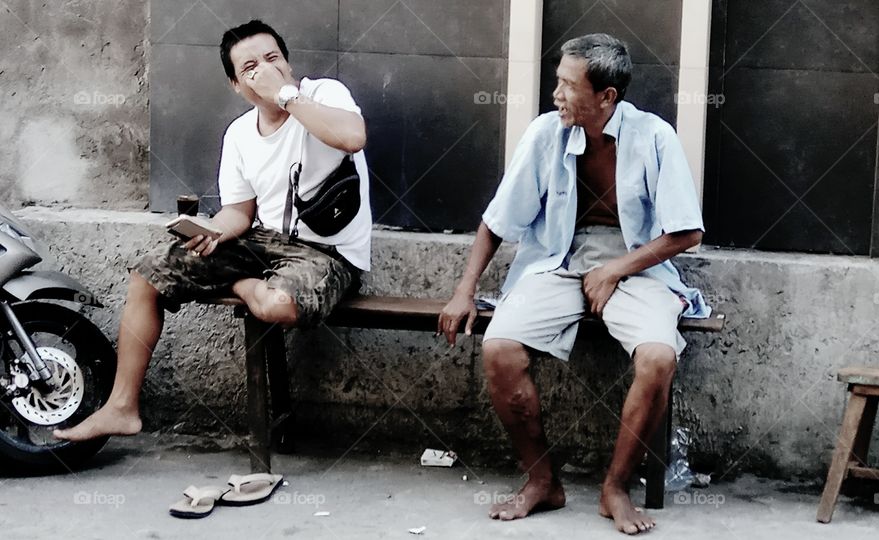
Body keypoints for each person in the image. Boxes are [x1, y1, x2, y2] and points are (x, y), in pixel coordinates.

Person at [438, 33, 711, 535]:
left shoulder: (654, 137)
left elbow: (686, 232)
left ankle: (615, 488)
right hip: (556, 258)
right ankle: (542, 481)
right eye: (557, 81)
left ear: (606, 96)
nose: (556, 94)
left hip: (637, 263)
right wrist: (464, 288)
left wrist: (613, 269)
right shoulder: (546, 133)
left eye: (568, 84)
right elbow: (498, 220)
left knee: (657, 357)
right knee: (499, 349)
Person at [55, 19, 372, 442]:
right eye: (250, 68)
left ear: (288, 64)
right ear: (237, 86)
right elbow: (239, 212)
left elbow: (352, 137)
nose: (263, 70)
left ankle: (243, 285)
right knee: (150, 273)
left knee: (279, 305)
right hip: (264, 244)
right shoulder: (240, 133)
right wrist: (214, 231)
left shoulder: (321, 94)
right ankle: (122, 407)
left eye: (272, 59)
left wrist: (286, 95)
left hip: (328, 253)